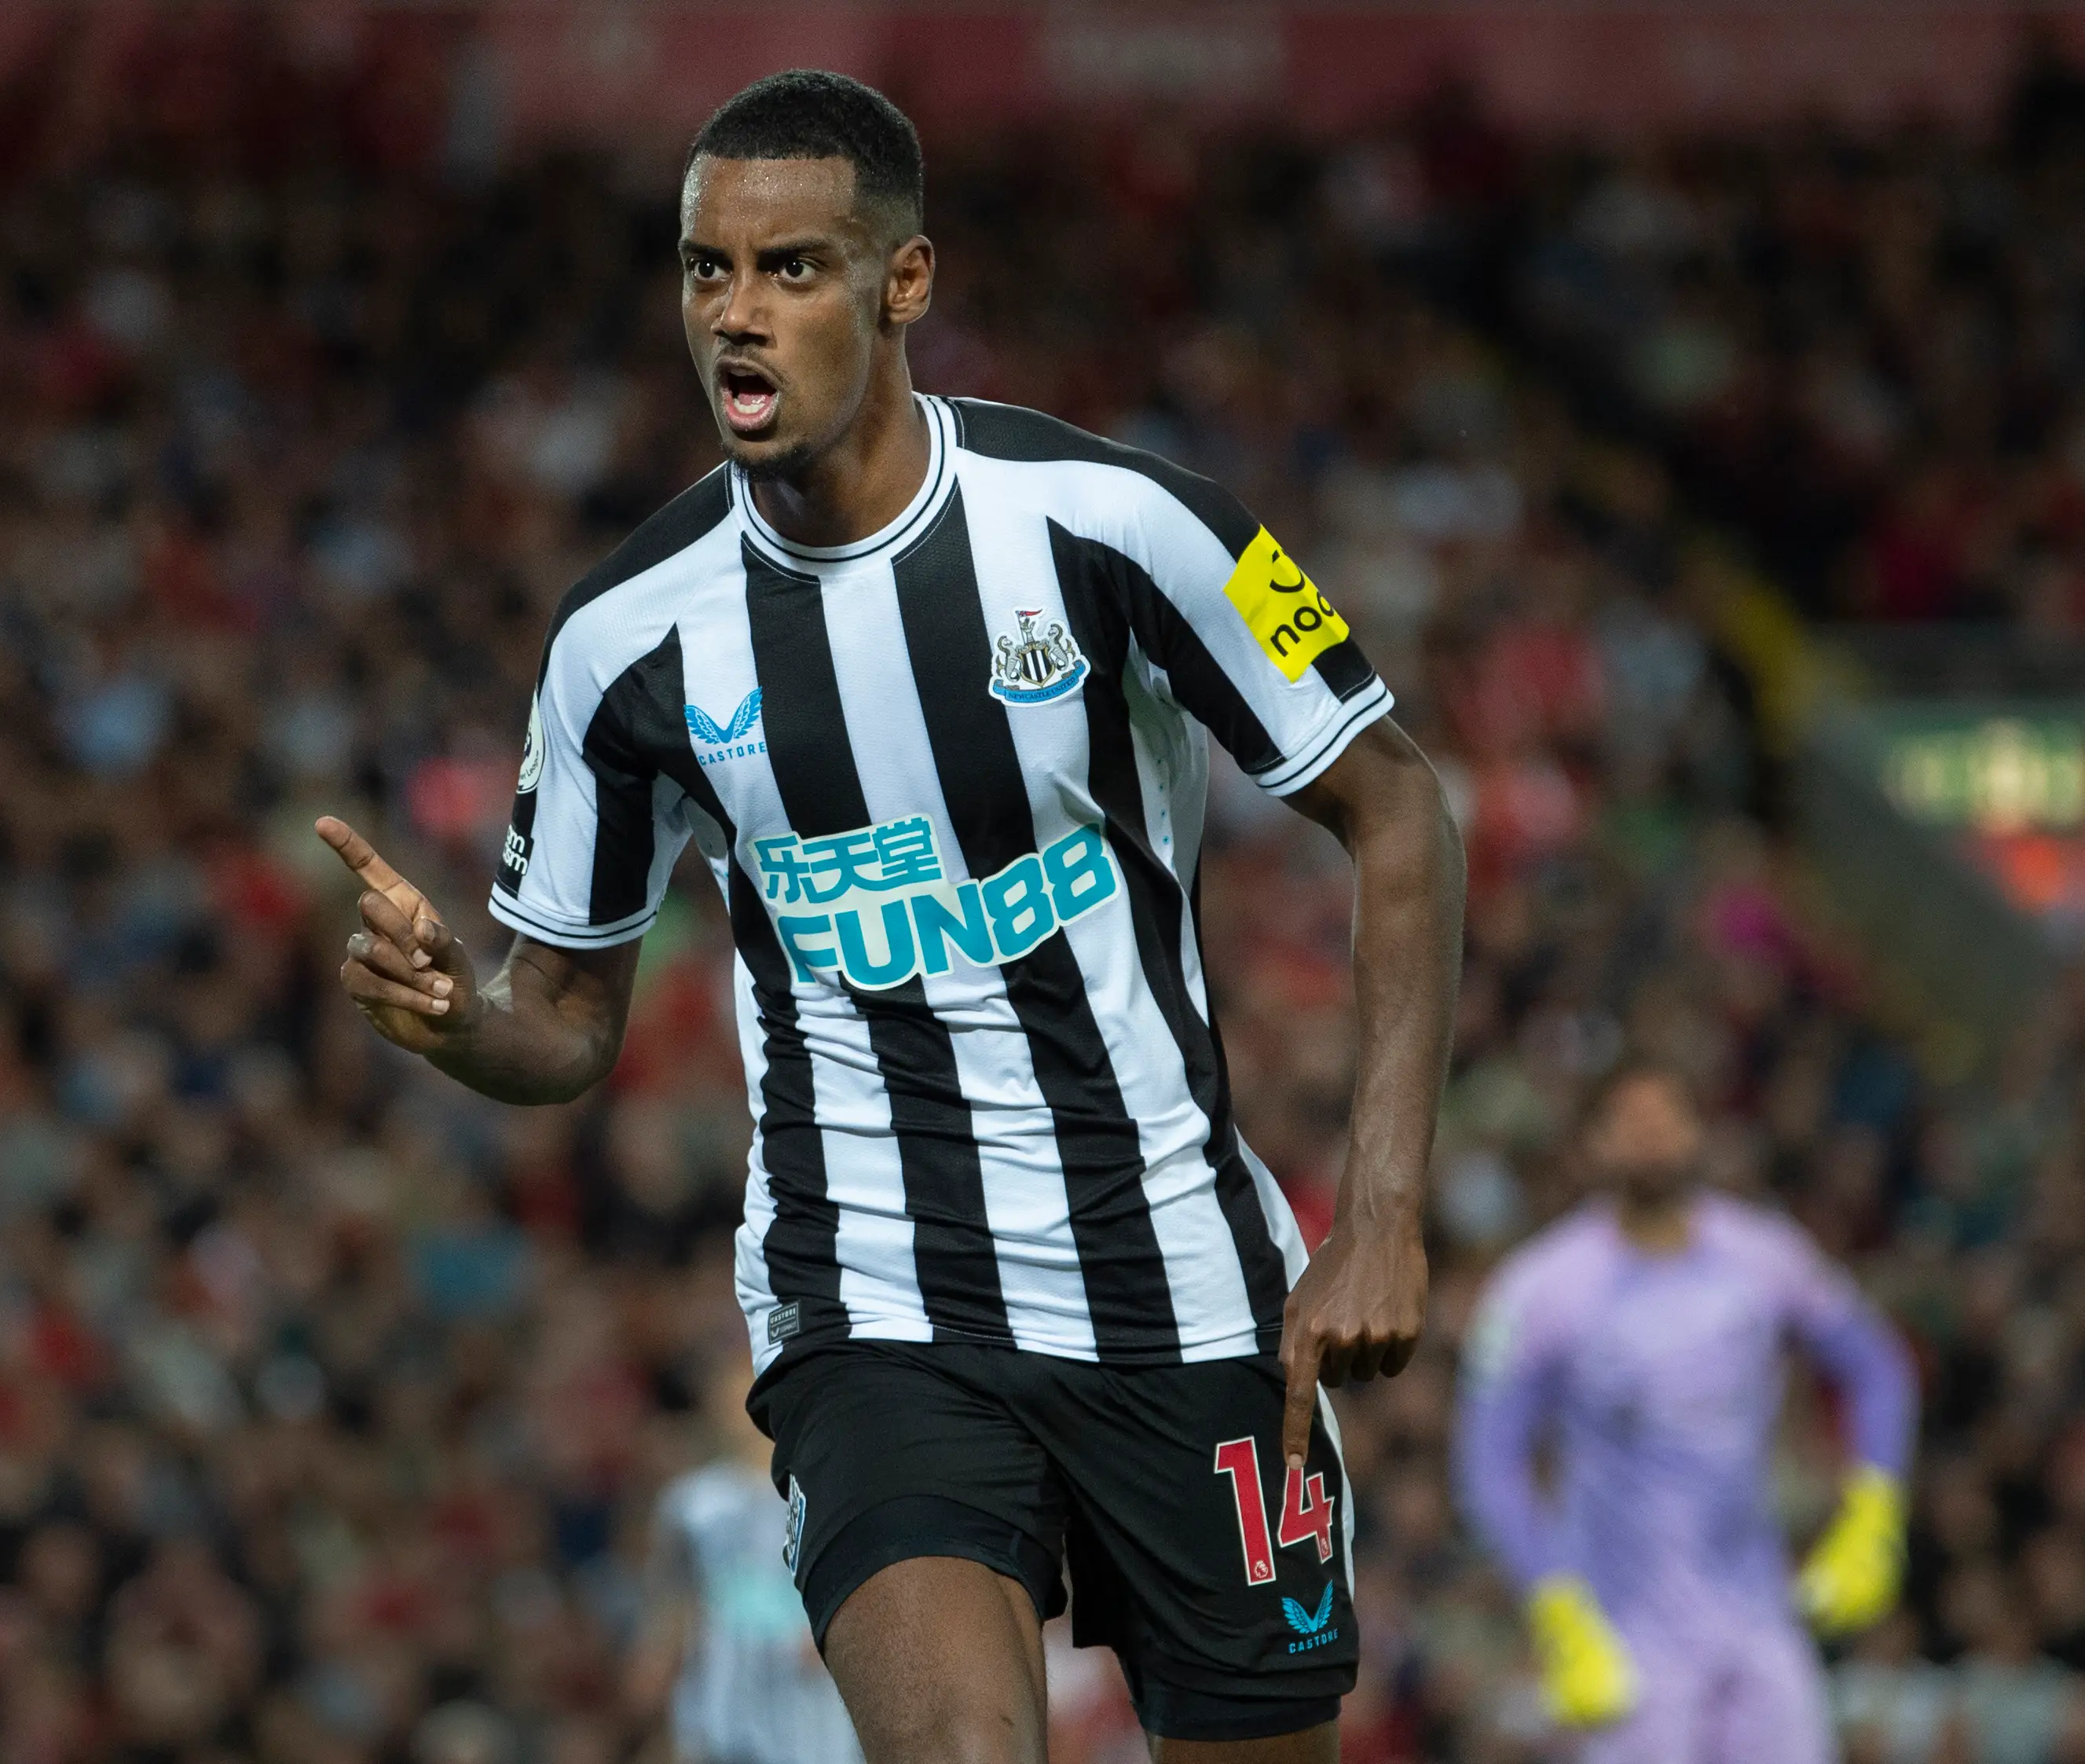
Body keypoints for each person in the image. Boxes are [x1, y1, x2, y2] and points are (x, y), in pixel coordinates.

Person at [318, 68, 1464, 1764]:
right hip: (875, 1302)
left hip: (1186, 1287)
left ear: (901, 284)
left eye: (790, 268)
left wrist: (1378, 1214)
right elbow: (560, 1020)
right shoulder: (626, 641)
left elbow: (1401, 806)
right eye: (707, 269)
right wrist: (456, 1022)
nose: (735, 314)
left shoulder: (1119, 525)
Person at [1453, 1060, 1918, 1764]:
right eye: (1631, 1122)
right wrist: (1555, 1606)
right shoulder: (1542, 1289)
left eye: (1667, 1116)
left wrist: (1873, 1511)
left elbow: (1877, 1365)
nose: (1653, 1137)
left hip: (1759, 1619)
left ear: (1699, 1129)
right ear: (1593, 1144)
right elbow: (1489, 1460)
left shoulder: (1764, 1255)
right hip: (1627, 1638)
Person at [631, 1351, 867, 1764]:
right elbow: (674, 1602)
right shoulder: (691, 1504)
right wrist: (658, 1660)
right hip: (721, 1707)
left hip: (811, 1711)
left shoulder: (829, 1494)